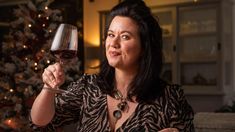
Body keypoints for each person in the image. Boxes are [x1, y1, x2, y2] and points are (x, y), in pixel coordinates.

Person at [30, 0, 195, 131]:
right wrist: (48, 87)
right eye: (110, 35)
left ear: (145, 46)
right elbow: (41, 121)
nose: (113, 43)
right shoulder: (88, 86)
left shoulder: (170, 98)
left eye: (125, 37)